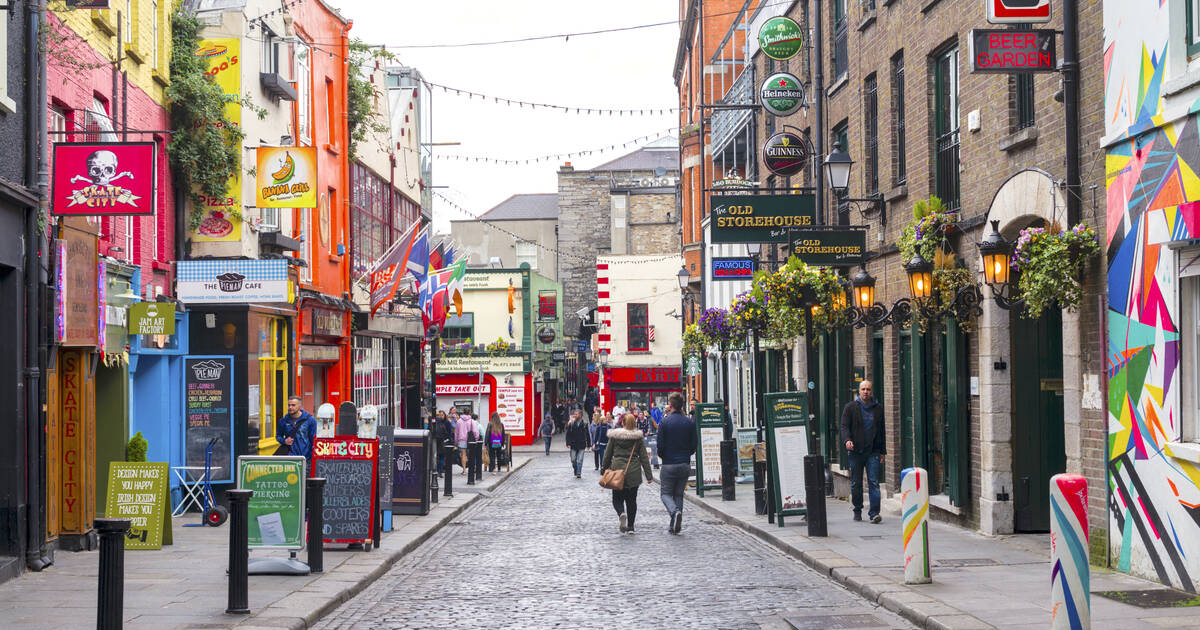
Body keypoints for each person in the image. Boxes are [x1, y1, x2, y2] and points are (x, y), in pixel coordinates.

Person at [840, 380, 886, 524]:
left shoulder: (878, 408)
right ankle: (857, 510)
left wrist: (882, 451)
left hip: (873, 451)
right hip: (855, 452)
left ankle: (874, 513)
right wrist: (847, 440)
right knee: (856, 483)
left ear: (872, 392)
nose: (866, 392)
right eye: (863, 389)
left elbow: (881, 431)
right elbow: (844, 427)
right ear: (859, 391)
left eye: (868, 389)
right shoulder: (850, 407)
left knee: (873, 482)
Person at [602, 413, 654, 534]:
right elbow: (644, 457)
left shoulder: (614, 436)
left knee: (617, 499)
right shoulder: (638, 438)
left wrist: (604, 468)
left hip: (617, 470)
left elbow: (607, 454)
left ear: (623, 423)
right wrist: (649, 476)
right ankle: (630, 526)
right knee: (632, 500)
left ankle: (621, 513)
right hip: (633, 471)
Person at [656, 392, 696, 534]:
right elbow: (694, 444)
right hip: (684, 463)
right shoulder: (689, 422)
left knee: (665, 494)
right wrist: (686, 455)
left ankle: (674, 512)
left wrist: (664, 457)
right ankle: (674, 525)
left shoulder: (664, 423)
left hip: (669, 463)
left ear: (670, 405)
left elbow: (659, 446)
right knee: (678, 495)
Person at [276, 396, 317, 470]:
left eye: (293, 405)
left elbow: (314, 440)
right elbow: (278, 436)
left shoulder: (310, 420)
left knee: (304, 481)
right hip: (289, 458)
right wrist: (284, 441)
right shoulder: (283, 421)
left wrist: (312, 458)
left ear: (299, 406)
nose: (290, 407)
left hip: (305, 459)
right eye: (289, 405)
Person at [565, 409, 592, 478]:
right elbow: (568, 434)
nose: (575, 415)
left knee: (580, 460)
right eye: (575, 414)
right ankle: (576, 469)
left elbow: (587, 435)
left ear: (580, 415)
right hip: (573, 444)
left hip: (582, 444)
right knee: (573, 460)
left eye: (576, 414)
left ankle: (579, 473)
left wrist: (589, 444)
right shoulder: (572, 423)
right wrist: (568, 443)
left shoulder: (585, 424)